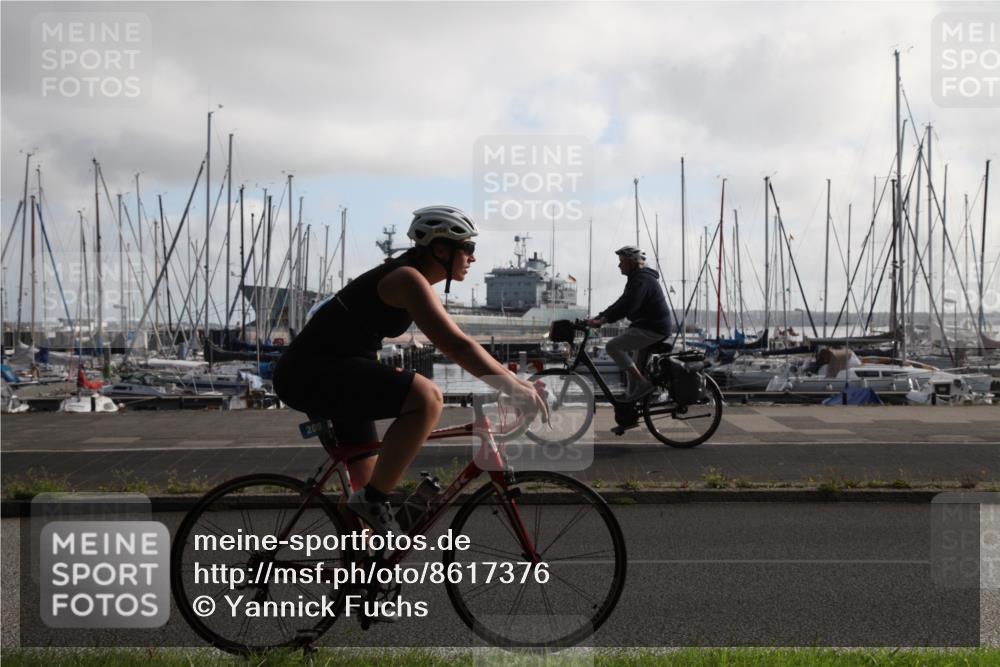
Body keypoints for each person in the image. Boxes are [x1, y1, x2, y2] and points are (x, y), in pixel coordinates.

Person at [273, 205, 547, 535]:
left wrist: (518, 383)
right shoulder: (406, 279)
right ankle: (371, 501)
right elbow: (456, 345)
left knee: (370, 493)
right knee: (428, 397)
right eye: (468, 248)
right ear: (441, 249)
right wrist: (516, 387)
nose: (473, 258)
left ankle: (360, 578)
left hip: (337, 372)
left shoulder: (409, 277)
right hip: (312, 373)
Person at [585, 246, 671, 401]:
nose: (619, 266)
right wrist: (599, 317)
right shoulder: (638, 278)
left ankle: (643, 385)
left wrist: (603, 321)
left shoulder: (641, 280)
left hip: (653, 328)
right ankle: (630, 405)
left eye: (621, 262)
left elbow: (628, 305)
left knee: (612, 347)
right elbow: (621, 303)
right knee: (632, 368)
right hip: (648, 326)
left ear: (632, 263)